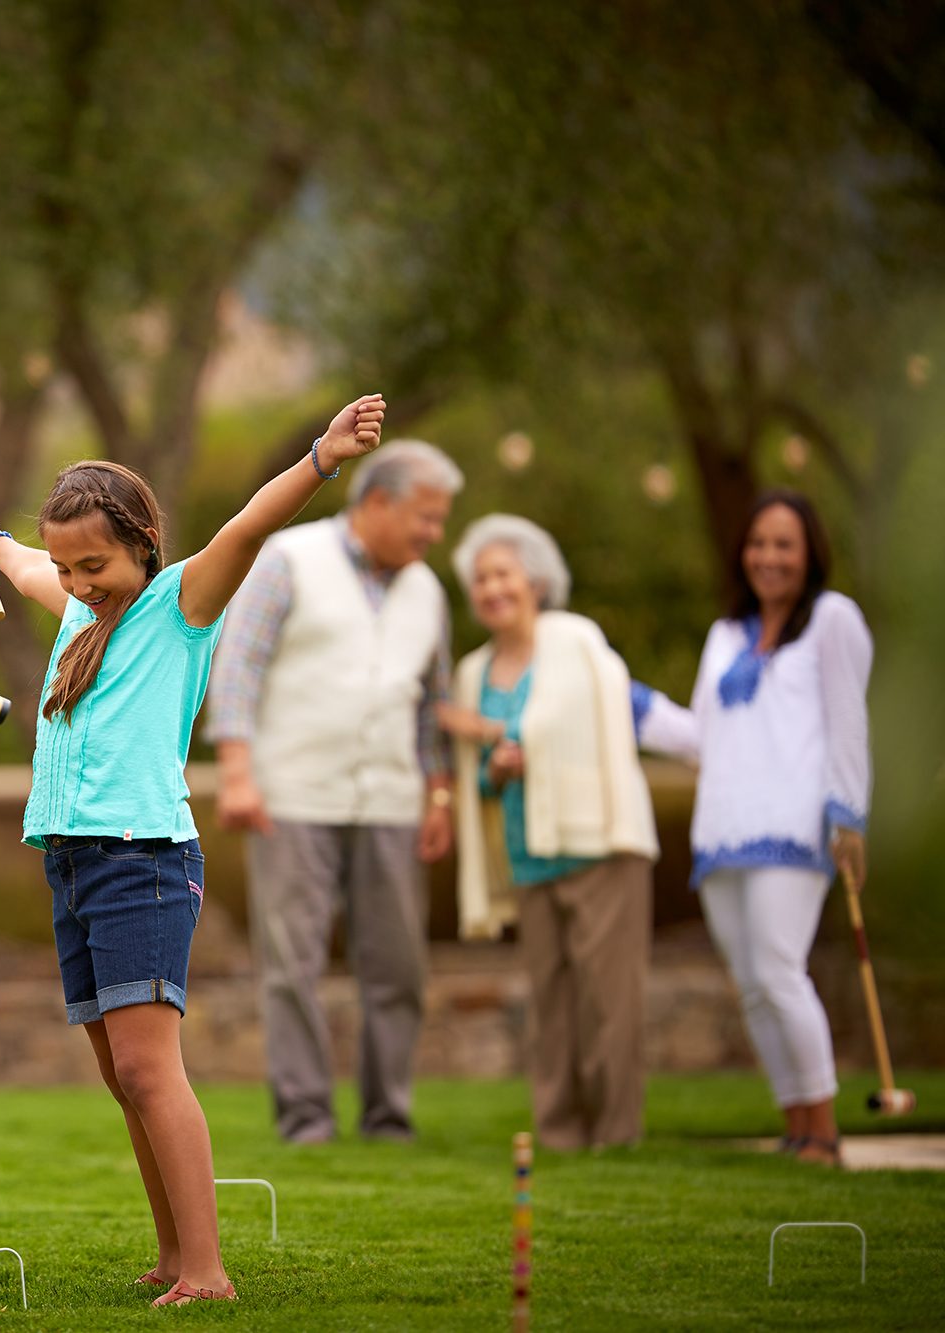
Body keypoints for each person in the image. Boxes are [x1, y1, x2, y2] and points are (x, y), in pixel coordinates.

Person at [0, 395, 387, 1308]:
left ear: (143, 539)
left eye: (96, 564)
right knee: (122, 1075)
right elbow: (28, 565)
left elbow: (249, 523)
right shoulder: (76, 609)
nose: (78, 582)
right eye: (70, 566)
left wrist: (323, 455)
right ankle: (170, 1253)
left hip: (140, 858)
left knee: (152, 1067)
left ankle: (207, 1271)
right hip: (72, 859)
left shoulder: (179, 603)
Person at [204, 440, 462, 1144]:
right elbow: (238, 668)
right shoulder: (289, 558)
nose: (434, 534)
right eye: (426, 517)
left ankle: (388, 1118)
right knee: (292, 965)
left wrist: (440, 798)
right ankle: (306, 1118)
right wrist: (236, 772)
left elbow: (433, 705)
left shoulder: (428, 590)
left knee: (399, 969)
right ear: (378, 501)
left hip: (393, 802)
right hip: (291, 795)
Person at [634, 490, 870, 1167]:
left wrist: (848, 812)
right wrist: (631, 700)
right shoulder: (726, 635)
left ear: (809, 553)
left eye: (784, 544)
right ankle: (794, 1124)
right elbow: (702, 736)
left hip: (792, 828)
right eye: (759, 542)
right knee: (752, 985)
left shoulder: (832, 620)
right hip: (722, 831)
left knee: (778, 971)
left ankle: (824, 1129)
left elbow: (848, 720)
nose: (769, 556)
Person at [437, 515, 658, 1150]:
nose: (490, 588)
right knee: (552, 1004)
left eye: (502, 573)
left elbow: (591, 721)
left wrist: (494, 737)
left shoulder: (574, 639)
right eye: (479, 579)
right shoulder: (474, 671)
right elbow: (478, 776)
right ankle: (560, 1132)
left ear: (535, 579)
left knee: (609, 1002)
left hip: (598, 846)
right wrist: (493, 760)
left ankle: (615, 1135)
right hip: (528, 856)